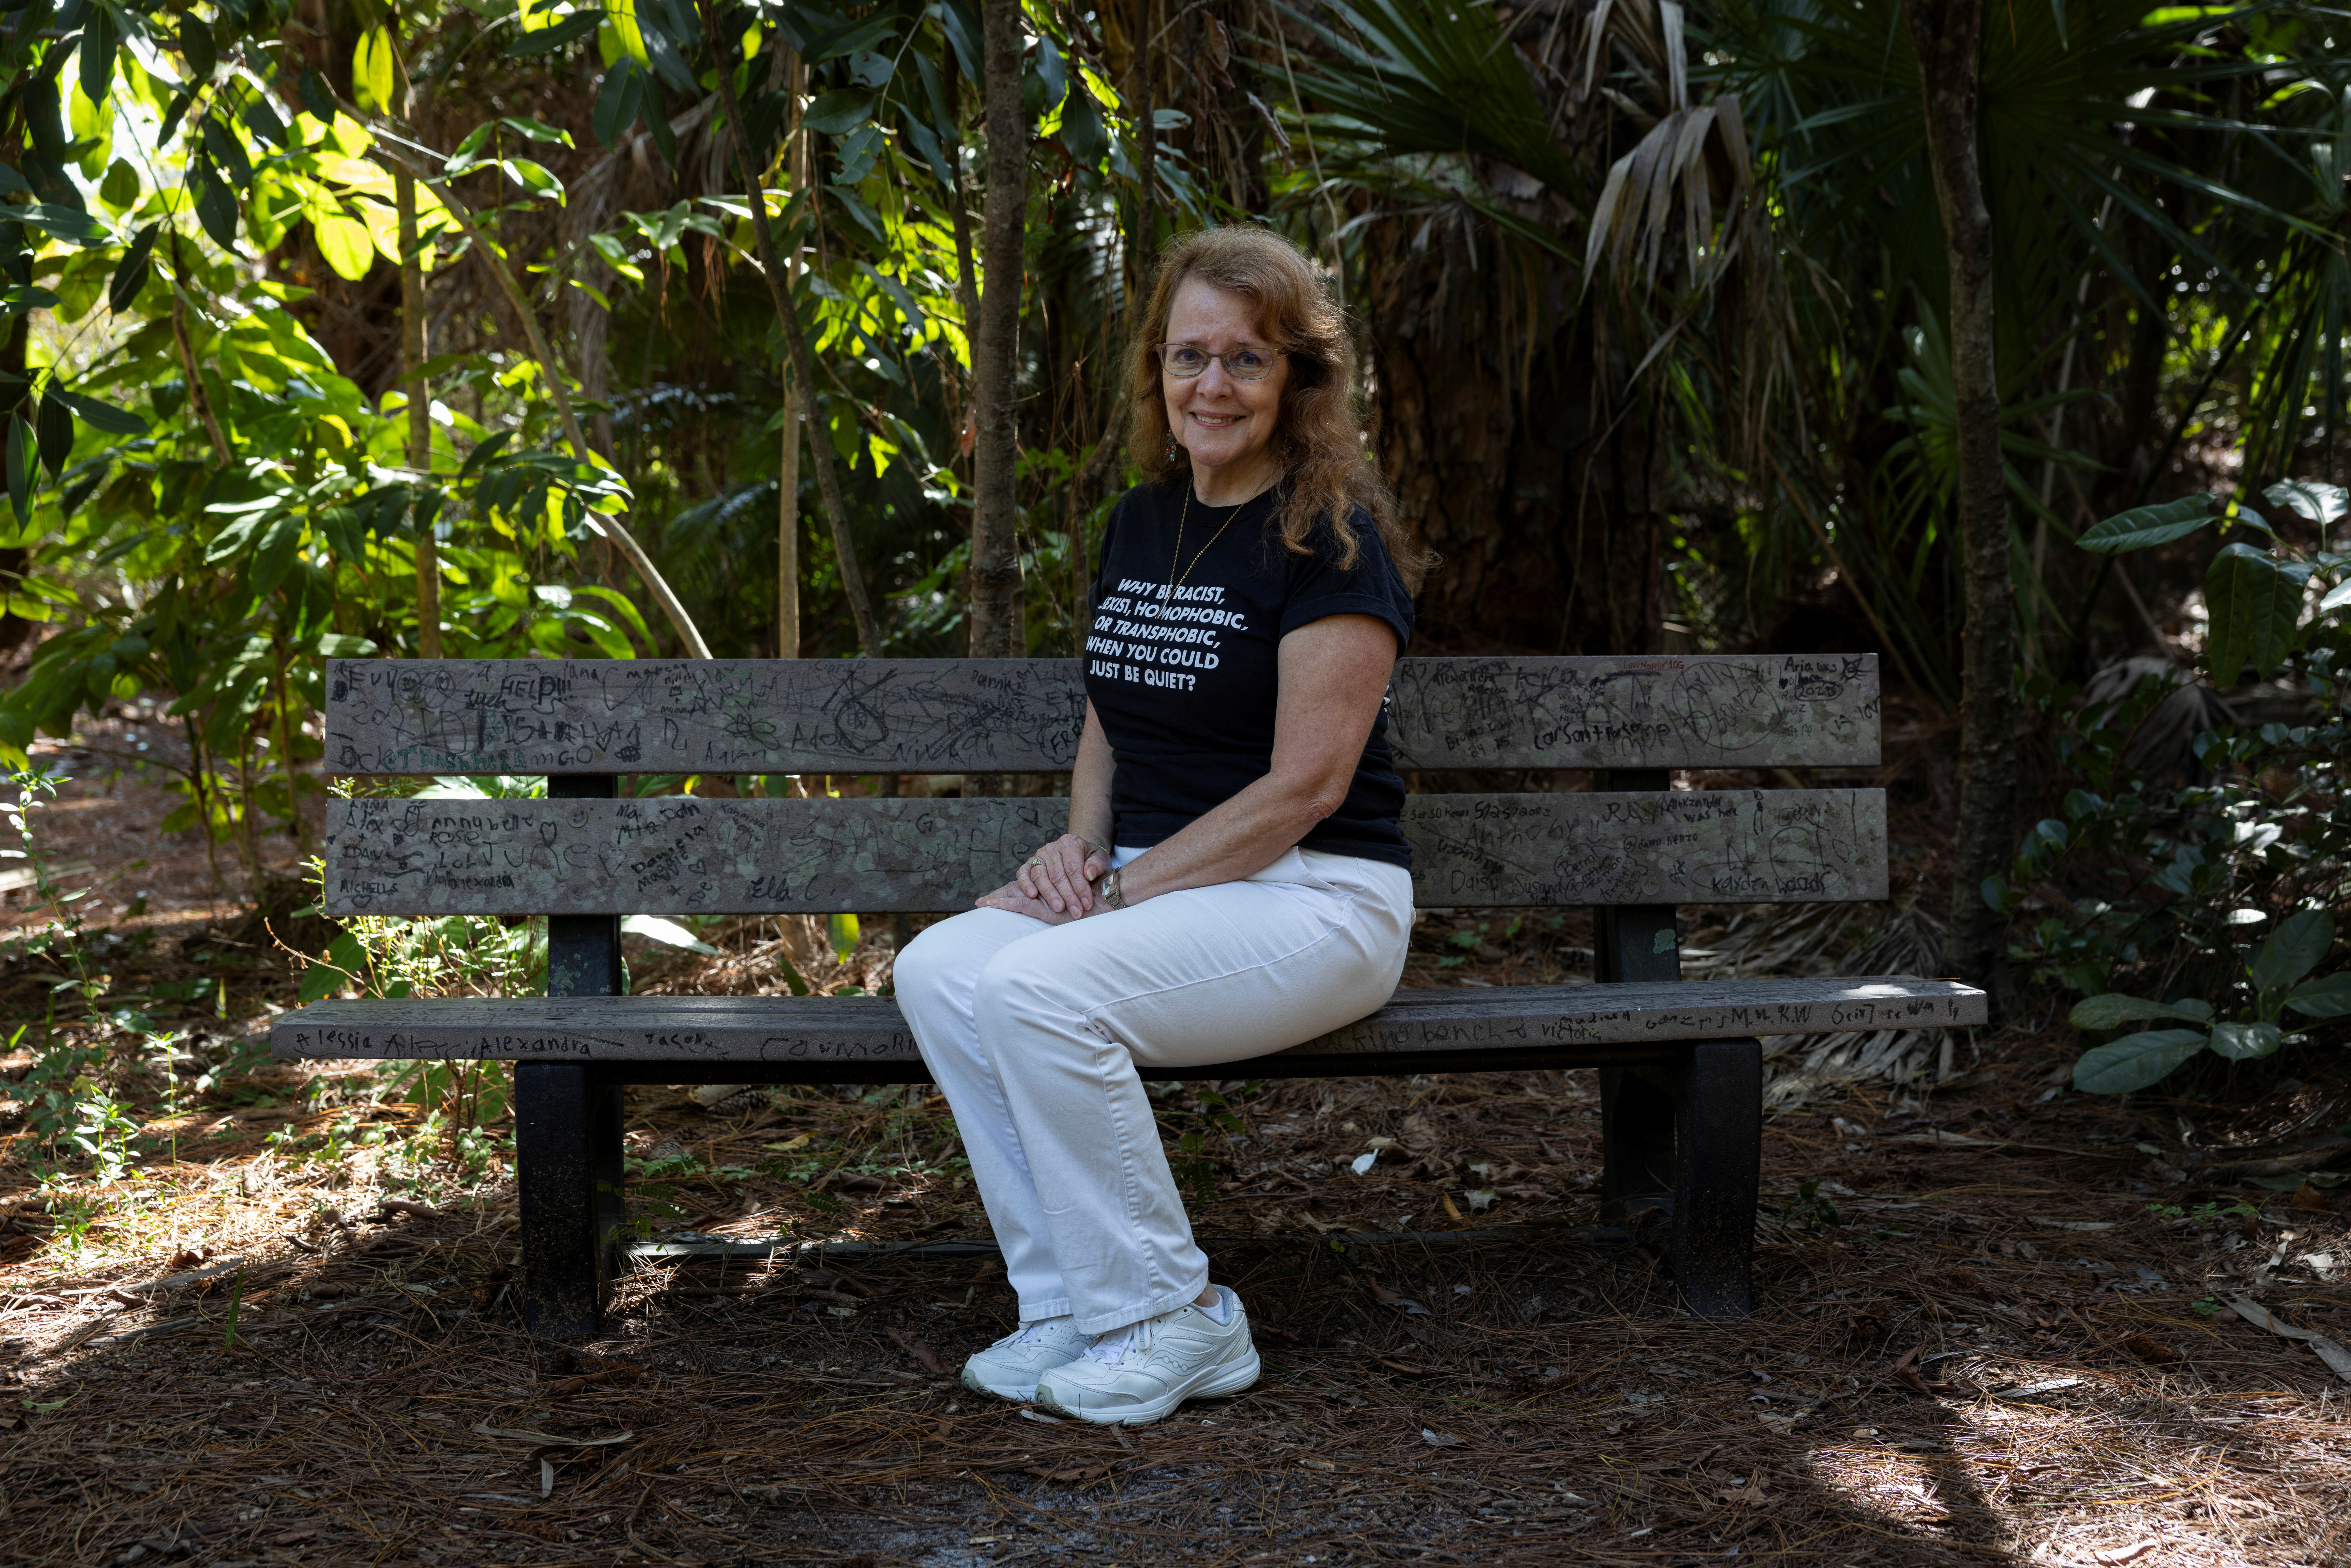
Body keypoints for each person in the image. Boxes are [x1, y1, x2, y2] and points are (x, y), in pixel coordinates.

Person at [893, 226, 1425, 1426]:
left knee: (1037, 988)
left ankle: (1173, 1316)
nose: (1212, 385)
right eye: (1190, 356)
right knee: (941, 971)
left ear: (1296, 378)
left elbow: (1307, 788)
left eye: (1246, 358)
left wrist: (1119, 896)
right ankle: (1071, 1308)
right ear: (1158, 372)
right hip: (1161, 884)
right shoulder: (1145, 520)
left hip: (1315, 896)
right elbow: (1111, 714)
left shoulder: (1330, 537)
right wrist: (1081, 850)